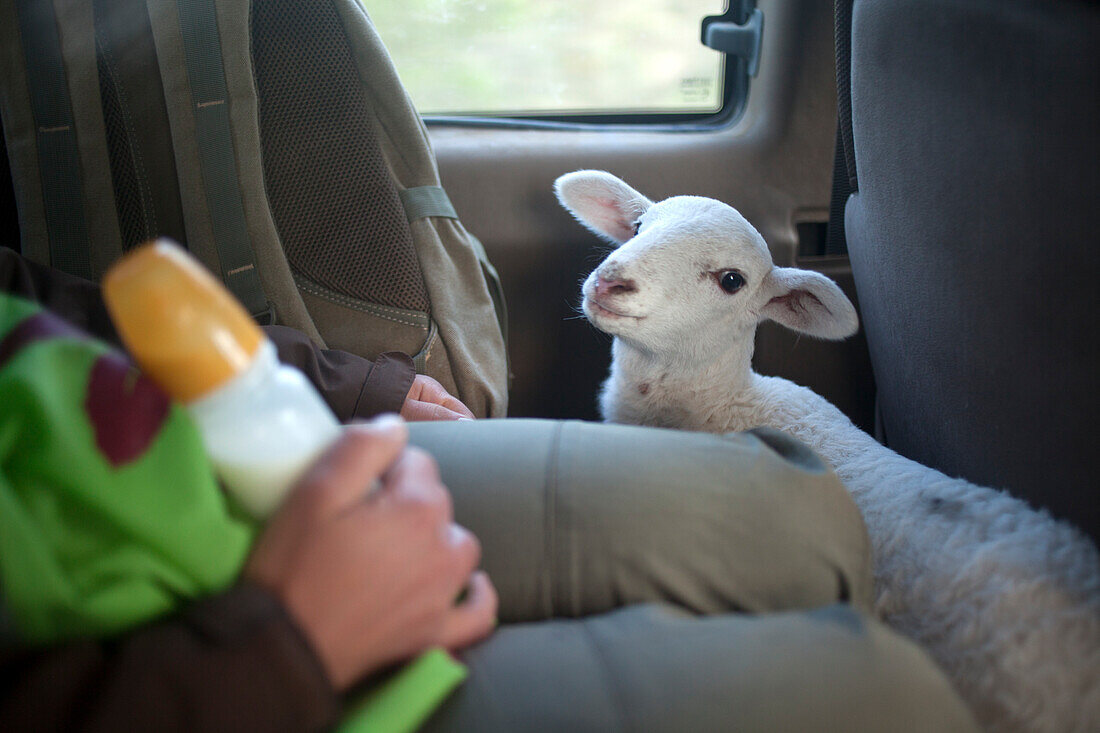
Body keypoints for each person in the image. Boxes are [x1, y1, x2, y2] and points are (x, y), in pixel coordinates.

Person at [0, 245, 978, 732]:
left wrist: (348, 383)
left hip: (170, 453)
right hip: (177, 679)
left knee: (787, 507)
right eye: (629, 233)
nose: (615, 269)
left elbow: (33, 292)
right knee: (887, 697)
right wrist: (277, 643)